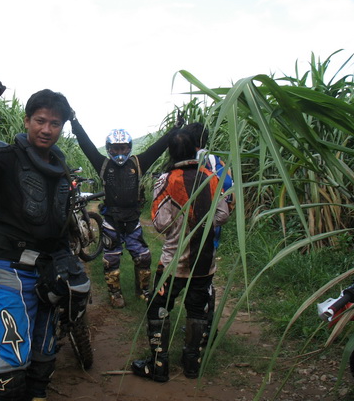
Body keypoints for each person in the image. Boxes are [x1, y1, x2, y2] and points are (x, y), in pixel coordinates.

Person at [0, 81, 88, 401]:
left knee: (44, 354)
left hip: (49, 268)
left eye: (55, 123)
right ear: (26, 121)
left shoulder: (59, 165)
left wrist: (66, 260)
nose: (47, 129)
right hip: (12, 267)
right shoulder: (5, 158)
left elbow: (59, 218)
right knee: (10, 367)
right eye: (40, 120)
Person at [131, 130, 230, 382]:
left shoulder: (166, 180)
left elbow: (160, 223)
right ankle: (192, 363)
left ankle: (159, 364)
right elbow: (223, 215)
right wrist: (202, 222)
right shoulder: (211, 177)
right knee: (197, 310)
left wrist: (180, 224)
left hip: (174, 261)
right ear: (196, 149)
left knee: (158, 308)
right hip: (205, 261)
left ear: (171, 153)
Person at [70, 113, 183, 308]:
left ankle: (143, 290)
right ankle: (115, 294)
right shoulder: (103, 164)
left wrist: (175, 129)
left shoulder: (138, 163)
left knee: (143, 257)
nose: (119, 152)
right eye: (115, 148)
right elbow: (86, 145)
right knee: (111, 260)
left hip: (132, 221)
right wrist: (74, 122)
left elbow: (157, 148)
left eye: (123, 148)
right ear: (109, 149)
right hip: (111, 221)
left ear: (129, 147)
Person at [182, 122, 235, 344]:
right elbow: (229, 195)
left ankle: (200, 327)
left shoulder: (188, 163)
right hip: (213, 230)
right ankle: (204, 326)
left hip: (189, 233)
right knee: (205, 277)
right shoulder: (219, 163)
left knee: (192, 279)